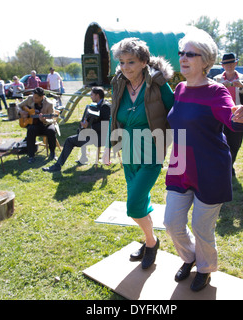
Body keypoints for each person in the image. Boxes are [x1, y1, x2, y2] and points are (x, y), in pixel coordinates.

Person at [164, 28, 243, 292]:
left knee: (202, 228)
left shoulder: (216, 92)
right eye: (182, 53)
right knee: (171, 223)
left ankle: (205, 269)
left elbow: (234, 121)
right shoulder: (179, 88)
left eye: (191, 54)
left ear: (206, 61)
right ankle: (189, 257)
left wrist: (239, 117)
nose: (183, 58)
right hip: (180, 166)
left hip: (209, 169)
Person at [101, 38, 175, 270]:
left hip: (152, 150)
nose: (125, 67)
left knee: (133, 205)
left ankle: (151, 243)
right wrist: (108, 146)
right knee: (140, 200)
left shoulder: (157, 82)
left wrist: (181, 142)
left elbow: (175, 110)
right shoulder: (119, 83)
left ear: (144, 62)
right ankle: (149, 240)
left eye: (131, 61)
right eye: (122, 62)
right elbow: (114, 115)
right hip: (129, 150)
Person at [43, 86, 110, 172]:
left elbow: (106, 124)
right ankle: (83, 158)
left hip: (101, 137)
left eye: (92, 94)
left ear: (97, 95)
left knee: (69, 140)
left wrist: (89, 127)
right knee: (80, 131)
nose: (90, 96)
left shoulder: (105, 106)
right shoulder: (97, 104)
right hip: (95, 134)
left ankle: (58, 165)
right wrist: (85, 125)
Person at [214, 53, 243, 175]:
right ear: (222, 65)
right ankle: (223, 167)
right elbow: (208, 98)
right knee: (221, 143)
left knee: (235, 144)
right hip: (220, 117)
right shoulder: (216, 79)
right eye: (226, 64)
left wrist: (242, 87)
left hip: (238, 117)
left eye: (231, 63)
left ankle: (229, 166)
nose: (229, 66)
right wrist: (218, 88)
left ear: (236, 64)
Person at [18, 87, 59, 164]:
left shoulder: (49, 104)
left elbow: (52, 118)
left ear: (42, 97)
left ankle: (52, 153)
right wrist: (21, 112)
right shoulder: (30, 98)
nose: (34, 99)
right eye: (33, 97)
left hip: (46, 124)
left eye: (36, 98)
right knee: (30, 130)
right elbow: (19, 105)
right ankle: (31, 155)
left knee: (51, 130)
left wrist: (44, 119)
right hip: (34, 123)